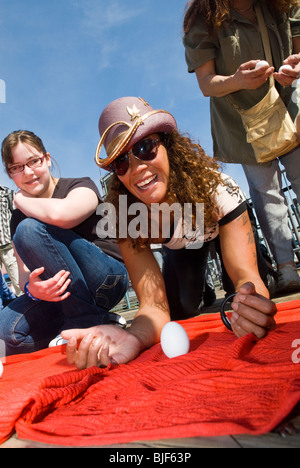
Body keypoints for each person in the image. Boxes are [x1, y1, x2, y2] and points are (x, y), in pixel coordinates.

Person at [61, 96, 277, 370]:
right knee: (182, 309)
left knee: (245, 295)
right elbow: (153, 305)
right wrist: (133, 336)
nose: (137, 167)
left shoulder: (218, 189)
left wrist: (254, 304)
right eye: (122, 163)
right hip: (184, 247)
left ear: (169, 146)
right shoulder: (126, 216)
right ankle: (203, 290)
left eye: (145, 147)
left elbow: (246, 274)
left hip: (219, 231)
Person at [183, 0, 300, 294]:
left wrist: (293, 67)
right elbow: (207, 84)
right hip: (244, 121)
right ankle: (286, 268)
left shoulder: (285, 3)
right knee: (266, 192)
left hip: (288, 103)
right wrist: (238, 80)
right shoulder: (203, 19)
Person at [0, 130, 128, 355]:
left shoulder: (80, 185)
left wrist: (19, 199)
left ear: (47, 159)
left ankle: (86, 321)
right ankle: (93, 322)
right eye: (16, 168)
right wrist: (33, 289)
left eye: (33, 161)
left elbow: (62, 216)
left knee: (28, 229)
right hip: (62, 295)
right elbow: (23, 275)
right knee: (6, 331)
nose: (28, 172)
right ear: (10, 174)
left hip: (106, 278)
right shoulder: (17, 217)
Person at [0, 185, 22, 296]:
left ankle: (27, 311)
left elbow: (18, 217)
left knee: (18, 282)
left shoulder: (7, 193)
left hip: (8, 245)